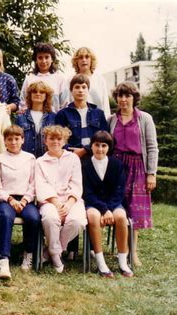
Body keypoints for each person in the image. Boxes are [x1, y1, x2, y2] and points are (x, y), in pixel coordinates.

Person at [108, 82, 158, 266]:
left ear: (134, 98)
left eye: (127, 95)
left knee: (134, 213)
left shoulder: (144, 118)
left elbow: (152, 147)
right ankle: (121, 248)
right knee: (117, 207)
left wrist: (151, 173)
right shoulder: (112, 119)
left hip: (137, 167)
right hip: (117, 167)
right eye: (120, 96)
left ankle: (133, 252)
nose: (123, 99)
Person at [35, 125, 87, 273]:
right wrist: (56, 203)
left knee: (77, 221)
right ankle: (55, 255)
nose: (55, 142)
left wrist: (69, 203)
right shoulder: (40, 162)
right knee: (50, 219)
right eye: (52, 138)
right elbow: (42, 185)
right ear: (45, 141)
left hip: (72, 199)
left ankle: (53, 250)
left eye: (59, 139)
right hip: (50, 200)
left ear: (64, 141)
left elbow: (76, 183)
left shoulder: (73, 159)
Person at [82, 131, 133, 277]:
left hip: (113, 203)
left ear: (109, 148)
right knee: (92, 217)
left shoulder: (116, 164)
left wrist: (109, 209)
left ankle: (123, 261)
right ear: (91, 146)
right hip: (93, 203)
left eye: (104, 146)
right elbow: (87, 192)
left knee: (122, 217)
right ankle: (101, 262)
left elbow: (119, 190)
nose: (100, 149)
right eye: (96, 145)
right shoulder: (84, 165)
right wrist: (103, 210)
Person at [0, 125, 40, 279]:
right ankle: (4, 259)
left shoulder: (30, 158)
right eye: (9, 139)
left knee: (33, 218)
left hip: (25, 199)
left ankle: (28, 253)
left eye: (17, 139)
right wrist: (10, 200)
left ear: (23, 140)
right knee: (6, 217)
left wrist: (25, 200)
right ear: (5, 141)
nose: (13, 142)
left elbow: (34, 183)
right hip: (6, 199)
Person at [55, 74, 108, 159]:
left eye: (84, 87)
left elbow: (105, 138)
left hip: (94, 156)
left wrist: (85, 150)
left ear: (88, 90)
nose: (80, 90)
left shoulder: (99, 113)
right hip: (71, 156)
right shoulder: (63, 114)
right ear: (71, 90)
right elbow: (58, 138)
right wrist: (72, 152)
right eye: (77, 87)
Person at [20, 42, 69, 113]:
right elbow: (23, 104)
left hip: (54, 122)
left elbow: (65, 105)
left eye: (47, 57)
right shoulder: (29, 79)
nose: (43, 61)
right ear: (36, 60)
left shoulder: (60, 79)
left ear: (52, 59)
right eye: (40, 57)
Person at [15, 81, 56, 157]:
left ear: (46, 96)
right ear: (30, 95)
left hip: (47, 159)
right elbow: (16, 139)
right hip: (25, 160)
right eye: (34, 92)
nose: (38, 94)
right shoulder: (21, 117)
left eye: (42, 92)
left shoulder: (53, 117)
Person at [70, 47, 111, 117]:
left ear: (91, 60)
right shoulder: (70, 80)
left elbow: (105, 103)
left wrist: (106, 123)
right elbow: (68, 102)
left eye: (87, 57)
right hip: (76, 121)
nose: (84, 60)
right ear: (76, 61)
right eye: (80, 57)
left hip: (97, 121)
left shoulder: (99, 79)